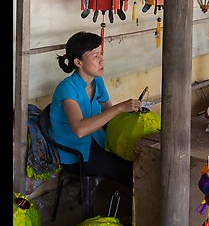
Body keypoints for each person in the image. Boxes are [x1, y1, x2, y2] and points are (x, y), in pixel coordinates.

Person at [49, 31, 142, 188]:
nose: (101, 60)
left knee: (138, 158)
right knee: (131, 171)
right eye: (95, 56)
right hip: (75, 154)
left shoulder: (97, 82)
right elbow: (79, 129)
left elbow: (110, 113)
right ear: (78, 62)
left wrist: (130, 115)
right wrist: (119, 108)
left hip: (96, 141)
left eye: (101, 53)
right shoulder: (67, 88)